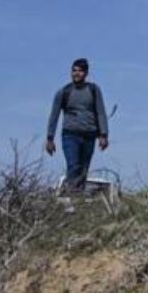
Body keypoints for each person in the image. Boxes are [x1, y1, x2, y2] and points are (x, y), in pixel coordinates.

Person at [45, 58, 110, 194]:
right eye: (74, 70)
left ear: (85, 73)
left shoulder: (93, 90)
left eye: (80, 71)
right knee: (73, 165)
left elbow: (101, 112)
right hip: (70, 135)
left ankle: (77, 197)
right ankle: (71, 196)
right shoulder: (64, 92)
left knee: (83, 168)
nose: (76, 73)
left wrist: (103, 135)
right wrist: (50, 139)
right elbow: (54, 115)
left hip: (89, 135)